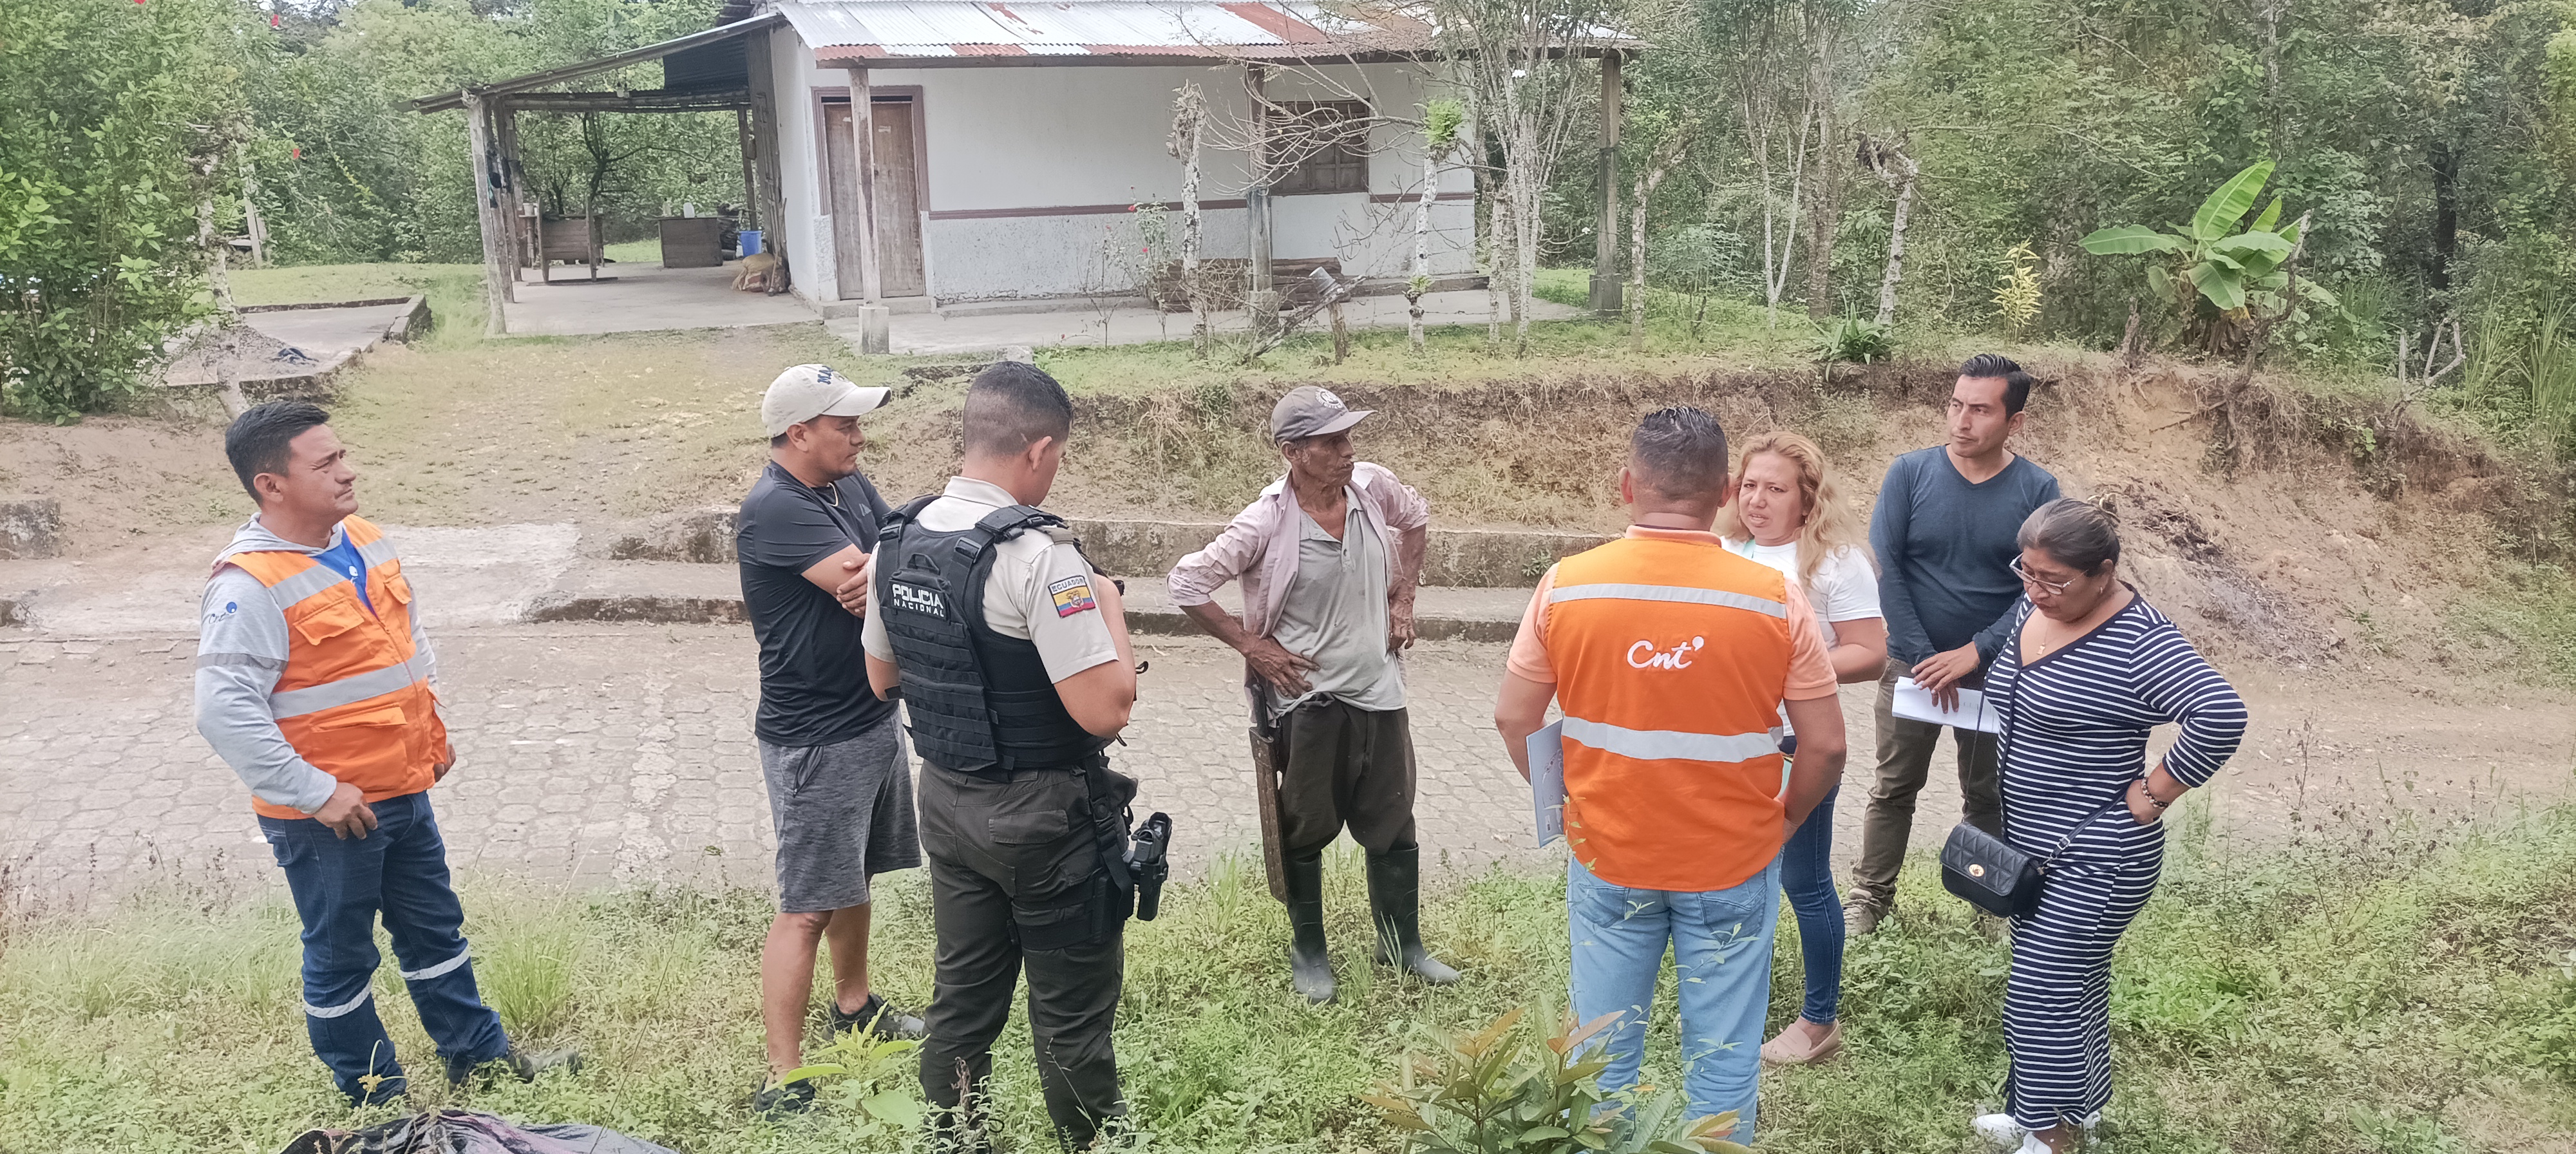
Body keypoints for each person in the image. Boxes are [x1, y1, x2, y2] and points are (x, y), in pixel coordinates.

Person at [195, 401, 578, 1106]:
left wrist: (431, 733)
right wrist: (316, 792)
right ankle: (377, 1098)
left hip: (402, 788)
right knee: (342, 956)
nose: (348, 472)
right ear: (271, 485)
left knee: (435, 931)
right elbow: (223, 710)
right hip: (329, 816)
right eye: (326, 464)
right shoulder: (247, 585)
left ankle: (480, 1060)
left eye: (343, 455)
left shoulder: (364, 539)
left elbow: (407, 643)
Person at [1493, 407, 1846, 1144]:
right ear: (1724, 493)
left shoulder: (1566, 586)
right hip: (1732, 859)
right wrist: (1784, 819)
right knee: (1722, 1058)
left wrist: (1565, 804)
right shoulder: (1774, 597)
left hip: (1608, 854)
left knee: (1600, 1052)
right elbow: (1826, 746)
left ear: (1627, 485)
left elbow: (1513, 717)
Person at [862, 361, 1141, 1151]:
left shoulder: (896, 540)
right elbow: (1106, 708)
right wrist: (1110, 606)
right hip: (1042, 820)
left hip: (948, 803)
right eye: (1059, 458)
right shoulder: (1040, 556)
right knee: (1070, 1011)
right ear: (1038, 450)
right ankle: (1094, 1142)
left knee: (962, 997)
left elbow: (881, 678)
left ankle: (953, 1138)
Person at [1969, 498, 2246, 1154]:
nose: (2036, 589)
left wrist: (2153, 793)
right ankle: (2064, 1109)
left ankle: (2050, 1137)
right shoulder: (2036, 608)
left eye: (2054, 579)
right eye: (2027, 572)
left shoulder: (2138, 642)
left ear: (2104, 573)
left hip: (2098, 852)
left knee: (2041, 992)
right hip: (2036, 847)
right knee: (2072, 982)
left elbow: (2221, 713)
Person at [1166, 385, 1455, 1005]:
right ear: (1292, 452)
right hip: (1310, 701)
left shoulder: (1372, 488)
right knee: (1305, 827)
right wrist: (1253, 647)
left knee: (1394, 820)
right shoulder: (1267, 521)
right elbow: (1186, 582)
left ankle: (1401, 944)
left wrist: (1404, 598)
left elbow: (1416, 518)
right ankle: (1310, 952)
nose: (1348, 451)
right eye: (1331, 442)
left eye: (1349, 437)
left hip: (1380, 689)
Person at [737, 364, 925, 1117]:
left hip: (868, 716)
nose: (858, 436)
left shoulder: (844, 485)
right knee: (807, 906)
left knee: (856, 878)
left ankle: (853, 1005)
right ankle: (783, 1077)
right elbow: (887, 581)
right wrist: (882, 571)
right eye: (843, 424)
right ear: (798, 433)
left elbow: (900, 550)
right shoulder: (776, 507)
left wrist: (879, 569)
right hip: (815, 739)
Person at [1848, 353, 2061, 935]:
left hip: (1996, 671)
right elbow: (1886, 568)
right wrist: (1923, 658)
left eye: (1981, 411)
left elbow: (2039, 586)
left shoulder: (2038, 489)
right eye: (1956, 405)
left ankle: (1989, 902)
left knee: (1988, 795)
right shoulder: (1909, 473)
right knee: (1893, 787)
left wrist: (1978, 651)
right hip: (1911, 668)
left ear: (2015, 422)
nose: (1962, 422)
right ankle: (1869, 898)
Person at [1712, 431, 1886, 1066]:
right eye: (1750, 485)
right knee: (1728, 872)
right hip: (1728, 742)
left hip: (1796, 743)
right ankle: (1730, 998)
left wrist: (1790, 673)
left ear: (1807, 498)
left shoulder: (1835, 562)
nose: (1757, 500)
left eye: (1776, 489)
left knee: (1803, 880)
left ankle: (1819, 1021)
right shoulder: (1724, 549)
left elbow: (1871, 652)